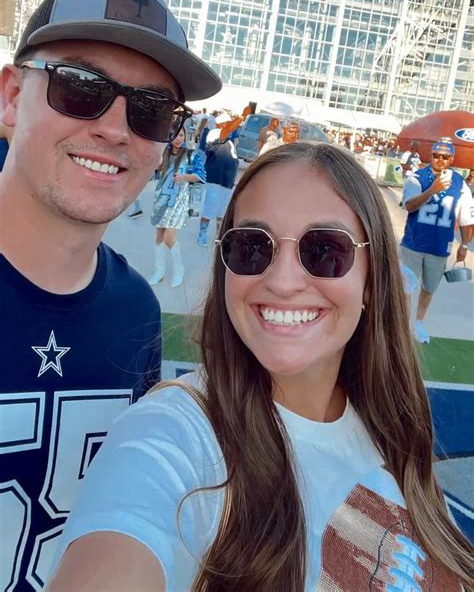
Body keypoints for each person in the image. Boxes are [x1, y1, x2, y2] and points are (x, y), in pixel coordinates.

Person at [47, 141, 471, 592]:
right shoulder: (178, 435)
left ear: (372, 279)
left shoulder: (395, 424)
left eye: (325, 249)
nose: (283, 282)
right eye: (251, 247)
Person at [0, 0, 221, 590]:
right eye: (80, 87)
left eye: (152, 110)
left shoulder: (136, 312)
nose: (116, 129)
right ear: (12, 97)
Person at [400, 138, 473, 344]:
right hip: (413, 243)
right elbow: (409, 206)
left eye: (445, 156)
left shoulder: (460, 184)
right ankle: (404, 325)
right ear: (430, 156)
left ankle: (419, 322)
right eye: (436, 155)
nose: (440, 160)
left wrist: (464, 245)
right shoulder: (417, 177)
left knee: (429, 288)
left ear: (452, 159)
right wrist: (433, 189)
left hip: (439, 246)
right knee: (406, 288)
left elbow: (466, 219)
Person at [149, 129, 205, 287]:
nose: (178, 138)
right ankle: (159, 272)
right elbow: (153, 174)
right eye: (175, 135)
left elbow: (201, 176)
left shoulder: (191, 155)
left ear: (186, 136)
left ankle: (179, 270)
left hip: (179, 202)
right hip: (161, 200)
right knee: (159, 236)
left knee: (169, 238)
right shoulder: (163, 154)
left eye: (181, 135)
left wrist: (184, 177)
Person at [197, 134, 239, 246]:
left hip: (228, 182)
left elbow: (235, 159)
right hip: (214, 180)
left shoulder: (230, 143)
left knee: (222, 213)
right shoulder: (214, 137)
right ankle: (202, 234)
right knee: (209, 209)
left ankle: (219, 236)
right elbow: (205, 151)